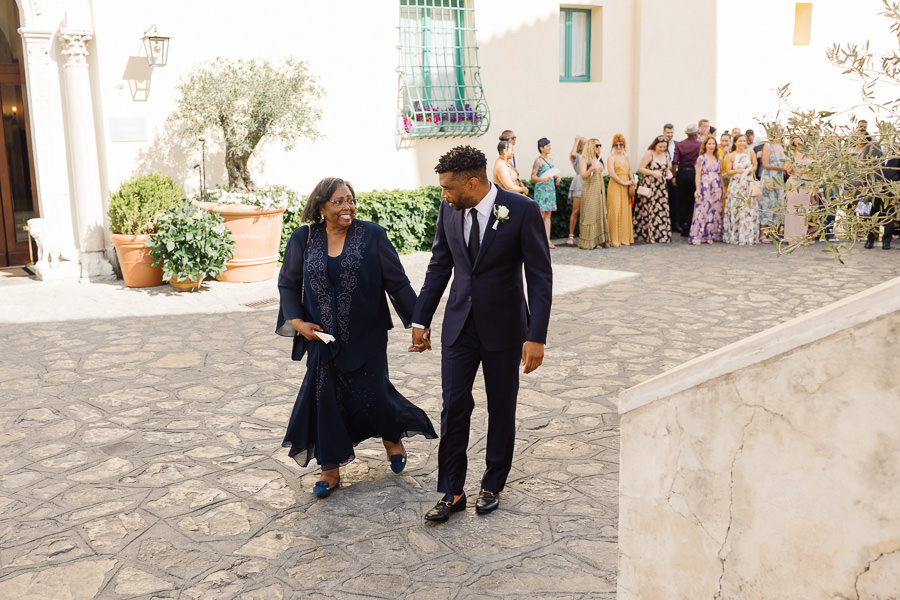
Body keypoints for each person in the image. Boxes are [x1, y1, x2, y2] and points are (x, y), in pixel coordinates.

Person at [410, 145, 552, 523]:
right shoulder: (450, 210)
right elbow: (440, 264)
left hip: (505, 329)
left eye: (447, 187)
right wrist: (420, 319)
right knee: (454, 407)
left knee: (501, 406)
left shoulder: (521, 211)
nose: (443, 194)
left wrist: (536, 335)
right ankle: (452, 491)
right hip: (458, 327)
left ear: (472, 183)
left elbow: (539, 277)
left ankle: (492, 483)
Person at [276, 177, 437, 498]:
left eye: (350, 200)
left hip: (367, 335)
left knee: (372, 394)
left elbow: (398, 283)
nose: (347, 206)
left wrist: (419, 322)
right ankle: (330, 468)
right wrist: (297, 321)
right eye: (338, 201)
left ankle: (391, 437)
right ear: (321, 206)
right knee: (325, 399)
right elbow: (287, 283)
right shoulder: (304, 238)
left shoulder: (372, 236)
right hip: (322, 338)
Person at [722, 134, 760, 246]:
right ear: (735, 142)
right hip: (736, 185)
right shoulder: (731, 155)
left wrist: (749, 170)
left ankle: (748, 235)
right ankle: (735, 235)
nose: (742, 143)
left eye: (744, 141)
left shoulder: (750, 152)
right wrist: (738, 171)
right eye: (740, 141)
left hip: (748, 184)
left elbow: (755, 165)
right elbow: (728, 171)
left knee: (748, 209)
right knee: (736, 210)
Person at [634, 135, 672, 244]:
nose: (662, 149)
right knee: (649, 209)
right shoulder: (650, 153)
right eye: (660, 146)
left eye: (664, 147)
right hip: (650, 184)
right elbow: (640, 168)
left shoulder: (666, 154)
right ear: (655, 145)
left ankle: (660, 234)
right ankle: (648, 234)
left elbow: (667, 169)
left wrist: (669, 174)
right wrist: (653, 173)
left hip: (661, 186)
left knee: (661, 209)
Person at [689, 136, 724, 244]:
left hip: (716, 186)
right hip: (705, 185)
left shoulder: (718, 158)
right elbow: (697, 174)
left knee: (714, 210)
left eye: (713, 144)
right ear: (705, 145)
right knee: (702, 210)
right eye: (709, 143)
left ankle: (710, 235)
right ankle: (697, 236)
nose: (711, 146)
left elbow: (720, 174)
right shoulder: (701, 158)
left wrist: (722, 188)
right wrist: (697, 189)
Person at [578, 137, 611, 249]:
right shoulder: (585, 159)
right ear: (590, 146)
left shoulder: (598, 158)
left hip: (599, 190)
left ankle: (599, 240)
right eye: (596, 145)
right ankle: (589, 241)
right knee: (590, 214)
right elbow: (583, 175)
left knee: (599, 212)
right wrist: (590, 170)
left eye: (600, 145)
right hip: (590, 190)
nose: (599, 148)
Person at [531, 137, 561, 248]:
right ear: (541, 148)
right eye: (547, 146)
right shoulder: (538, 161)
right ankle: (540, 240)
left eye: (549, 145)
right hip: (542, 191)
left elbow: (552, 173)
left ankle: (548, 239)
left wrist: (557, 178)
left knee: (549, 215)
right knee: (541, 215)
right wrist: (542, 179)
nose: (549, 147)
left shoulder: (550, 160)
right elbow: (533, 177)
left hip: (550, 191)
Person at [672, 124, 702, 235]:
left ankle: (684, 223)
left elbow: (674, 162)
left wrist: (674, 175)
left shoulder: (679, 145)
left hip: (682, 173)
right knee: (693, 200)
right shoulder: (700, 144)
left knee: (682, 200)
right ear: (696, 133)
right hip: (695, 173)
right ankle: (690, 223)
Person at [607, 134, 635, 247]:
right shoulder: (611, 157)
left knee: (625, 211)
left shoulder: (625, 156)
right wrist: (624, 182)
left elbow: (630, 170)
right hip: (615, 186)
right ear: (613, 146)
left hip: (626, 186)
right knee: (615, 211)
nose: (619, 147)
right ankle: (614, 239)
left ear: (624, 145)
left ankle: (624, 238)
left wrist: (632, 179)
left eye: (621, 144)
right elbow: (612, 174)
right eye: (616, 145)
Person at [784, 137, 812, 244]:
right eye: (796, 137)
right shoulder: (791, 153)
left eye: (801, 136)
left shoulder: (809, 152)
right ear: (793, 141)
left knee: (804, 211)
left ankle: (801, 236)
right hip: (794, 184)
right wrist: (793, 166)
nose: (799, 139)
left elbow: (814, 169)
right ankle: (791, 237)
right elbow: (788, 171)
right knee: (792, 210)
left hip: (806, 184)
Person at [759, 135, 787, 242]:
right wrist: (781, 168)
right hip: (769, 177)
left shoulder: (782, 146)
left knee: (778, 204)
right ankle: (763, 233)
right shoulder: (768, 145)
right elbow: (765, 164)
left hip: (779, 178)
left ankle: (772, 232)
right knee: (767, 204)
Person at [567, 136, 586, 246]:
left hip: (588, 184)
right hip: (579, 183)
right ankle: (571, 235)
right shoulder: (577, 156)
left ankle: (583, 234)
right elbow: (573, 154)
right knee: (576, 210)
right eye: (583, 143)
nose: (585, 145)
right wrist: (576, 141)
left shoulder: (589, 156)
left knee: (585, 212)